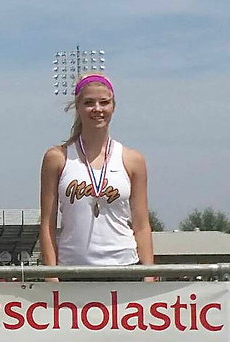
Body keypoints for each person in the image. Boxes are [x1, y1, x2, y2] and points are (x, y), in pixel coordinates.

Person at [38, 72, 153, 281]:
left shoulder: (132, 160)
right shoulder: (57, 158)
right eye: (89, 103)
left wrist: (149, 275)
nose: (97, 109)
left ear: (113, 106)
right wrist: (51, 275)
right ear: (78, 107)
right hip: (72, 272)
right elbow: (47, 223)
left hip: (125, 269)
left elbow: (142, 224)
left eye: (104, 102)